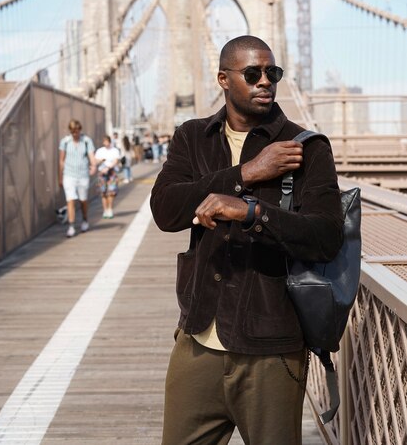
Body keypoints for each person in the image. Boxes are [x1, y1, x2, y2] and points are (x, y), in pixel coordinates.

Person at [150, 35, 343, 445]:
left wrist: (253, 214)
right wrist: (246, 175)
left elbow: (326, 237)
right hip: (197, 340)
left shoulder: (305, 146)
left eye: (272, 73)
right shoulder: (192, 138)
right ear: (223, 78)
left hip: (271, 347)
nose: (264, 82)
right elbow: (166, 210)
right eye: (252, 73)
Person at [59, 119, 96, 238]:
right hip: (69, 174)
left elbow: (91, 156)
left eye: (77, 131)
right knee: (70, 200)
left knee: (83, 199)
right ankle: (71, 225)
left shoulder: (86, 141)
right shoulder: (65, 142)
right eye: (73, 132)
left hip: (83, 174)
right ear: (70, 131)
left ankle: (85, 220)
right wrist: (60, 176)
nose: (76, 134)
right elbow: (61, 160)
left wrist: (94, 166)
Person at [95, 135, 120, 218]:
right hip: (102, 173)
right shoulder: (99, 151)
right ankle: (105, 210)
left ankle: (110, 209)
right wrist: (101, 160)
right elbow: (95, 161)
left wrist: (109, 167)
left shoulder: (114, 150)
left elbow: (116, 161)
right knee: (103, 193)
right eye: (104, 141)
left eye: (107, 141)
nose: (106, 143)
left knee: (111, 192)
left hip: (112, 173)